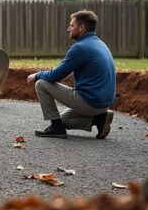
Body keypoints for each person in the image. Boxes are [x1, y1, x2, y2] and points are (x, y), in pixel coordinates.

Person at [26, 10, 116, 139]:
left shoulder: (80, 47)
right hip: (104, 103)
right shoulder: (100, 44)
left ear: (81, 28)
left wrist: (36, 75)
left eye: (72, 26)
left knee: (41, 84)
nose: (69, 29)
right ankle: (99, 119)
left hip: (90, 102)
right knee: (62, 121)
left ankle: (56, 129)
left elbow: (56, 75)